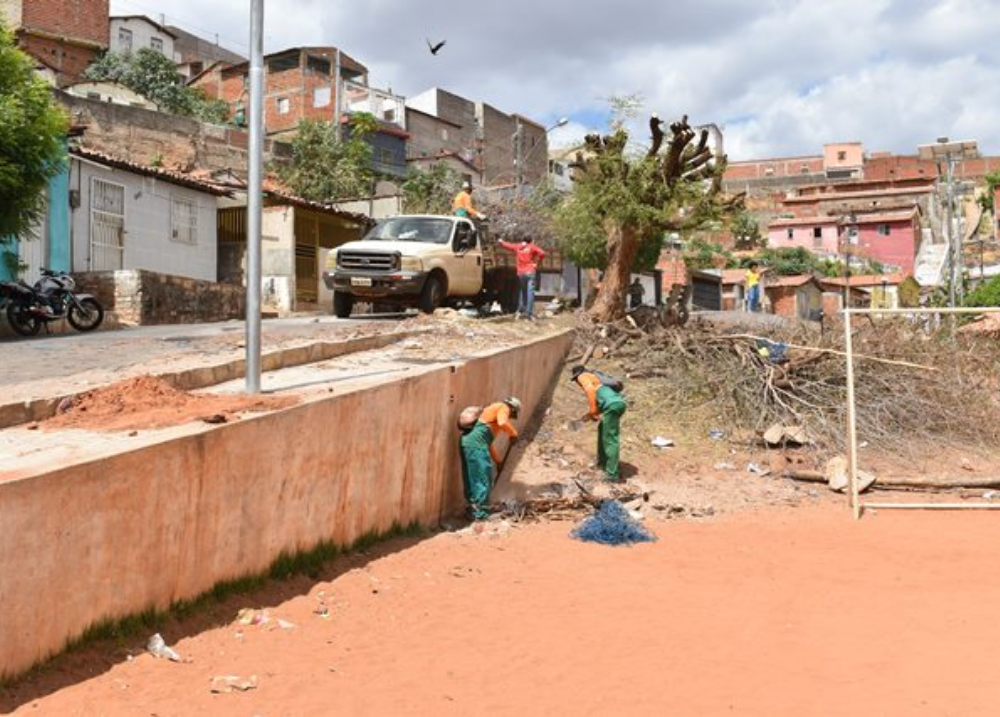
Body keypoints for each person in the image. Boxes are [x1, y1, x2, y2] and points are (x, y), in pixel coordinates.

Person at [458, 397, 521, 520]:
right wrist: (513, 433)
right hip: (476, 445)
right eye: (512, 414)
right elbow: (503, 422)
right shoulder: (503, 407)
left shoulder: (487, 416)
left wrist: (498, 462)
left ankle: (472, 509)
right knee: (483, 477)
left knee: (471, 477)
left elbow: (488, 444)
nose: (509, 416)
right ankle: (481, 513)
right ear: (512, 409)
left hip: (467, 442)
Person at [570, 366, 627, 482]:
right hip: (616, 404)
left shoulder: (583, 376)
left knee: (610, 438)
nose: (577, 383)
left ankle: (612, 475)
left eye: (576, 380)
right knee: (602, 430)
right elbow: (602, 403)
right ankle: (603, 463)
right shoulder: (597, 382)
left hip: (613, 405)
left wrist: (592, 411)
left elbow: (590, 391)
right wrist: (590, 415)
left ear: (577, 376)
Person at [499, 237, 546, 319]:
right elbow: (542, 253)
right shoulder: (531, 246)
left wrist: (501, 241)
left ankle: (521, 310)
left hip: (520, 273)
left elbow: (508, 246)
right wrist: (536, 263)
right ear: (531, 241)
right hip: (530, 272)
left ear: (523, 240)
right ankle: (528, 314)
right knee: (530, 293)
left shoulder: (518, 247)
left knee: (523, 292)